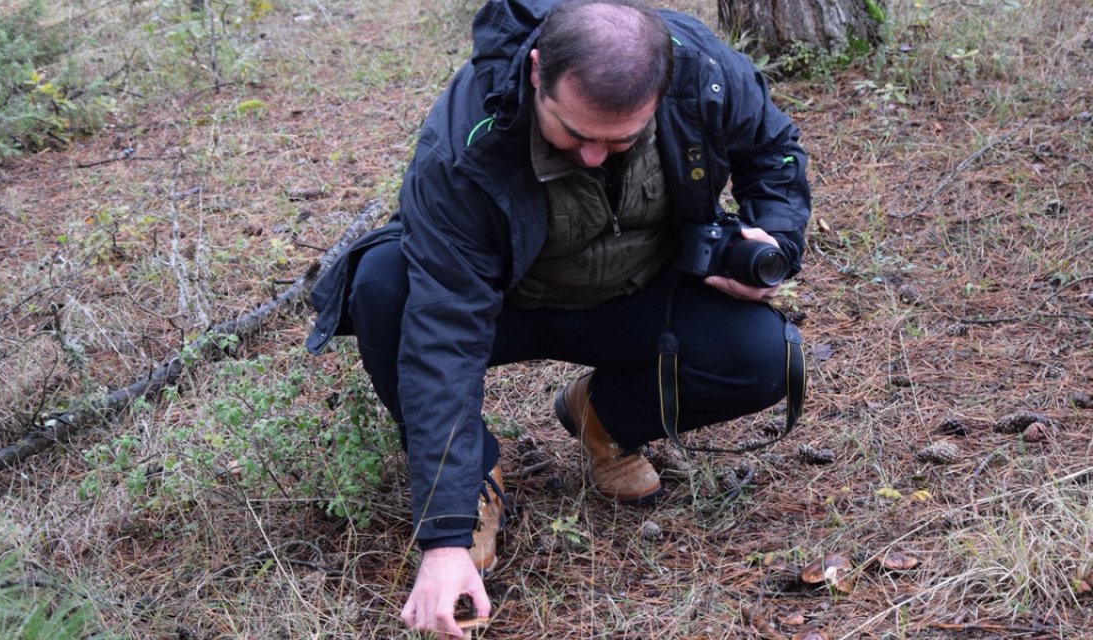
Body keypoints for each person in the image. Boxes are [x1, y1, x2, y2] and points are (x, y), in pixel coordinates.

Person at [305, 0, 811, 636]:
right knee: (384, 289)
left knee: (763, 356)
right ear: (538, 73)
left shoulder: (703, 72)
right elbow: (444, 330)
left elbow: (773, 150)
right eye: (575, 133)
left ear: (662, 87)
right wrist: (444, 534)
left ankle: (605, 416)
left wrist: (777, 239)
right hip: (502, 306)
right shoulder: (465, 136)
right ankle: (477, 475)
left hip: (639, 296)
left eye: (621, 139)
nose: (595, 155)